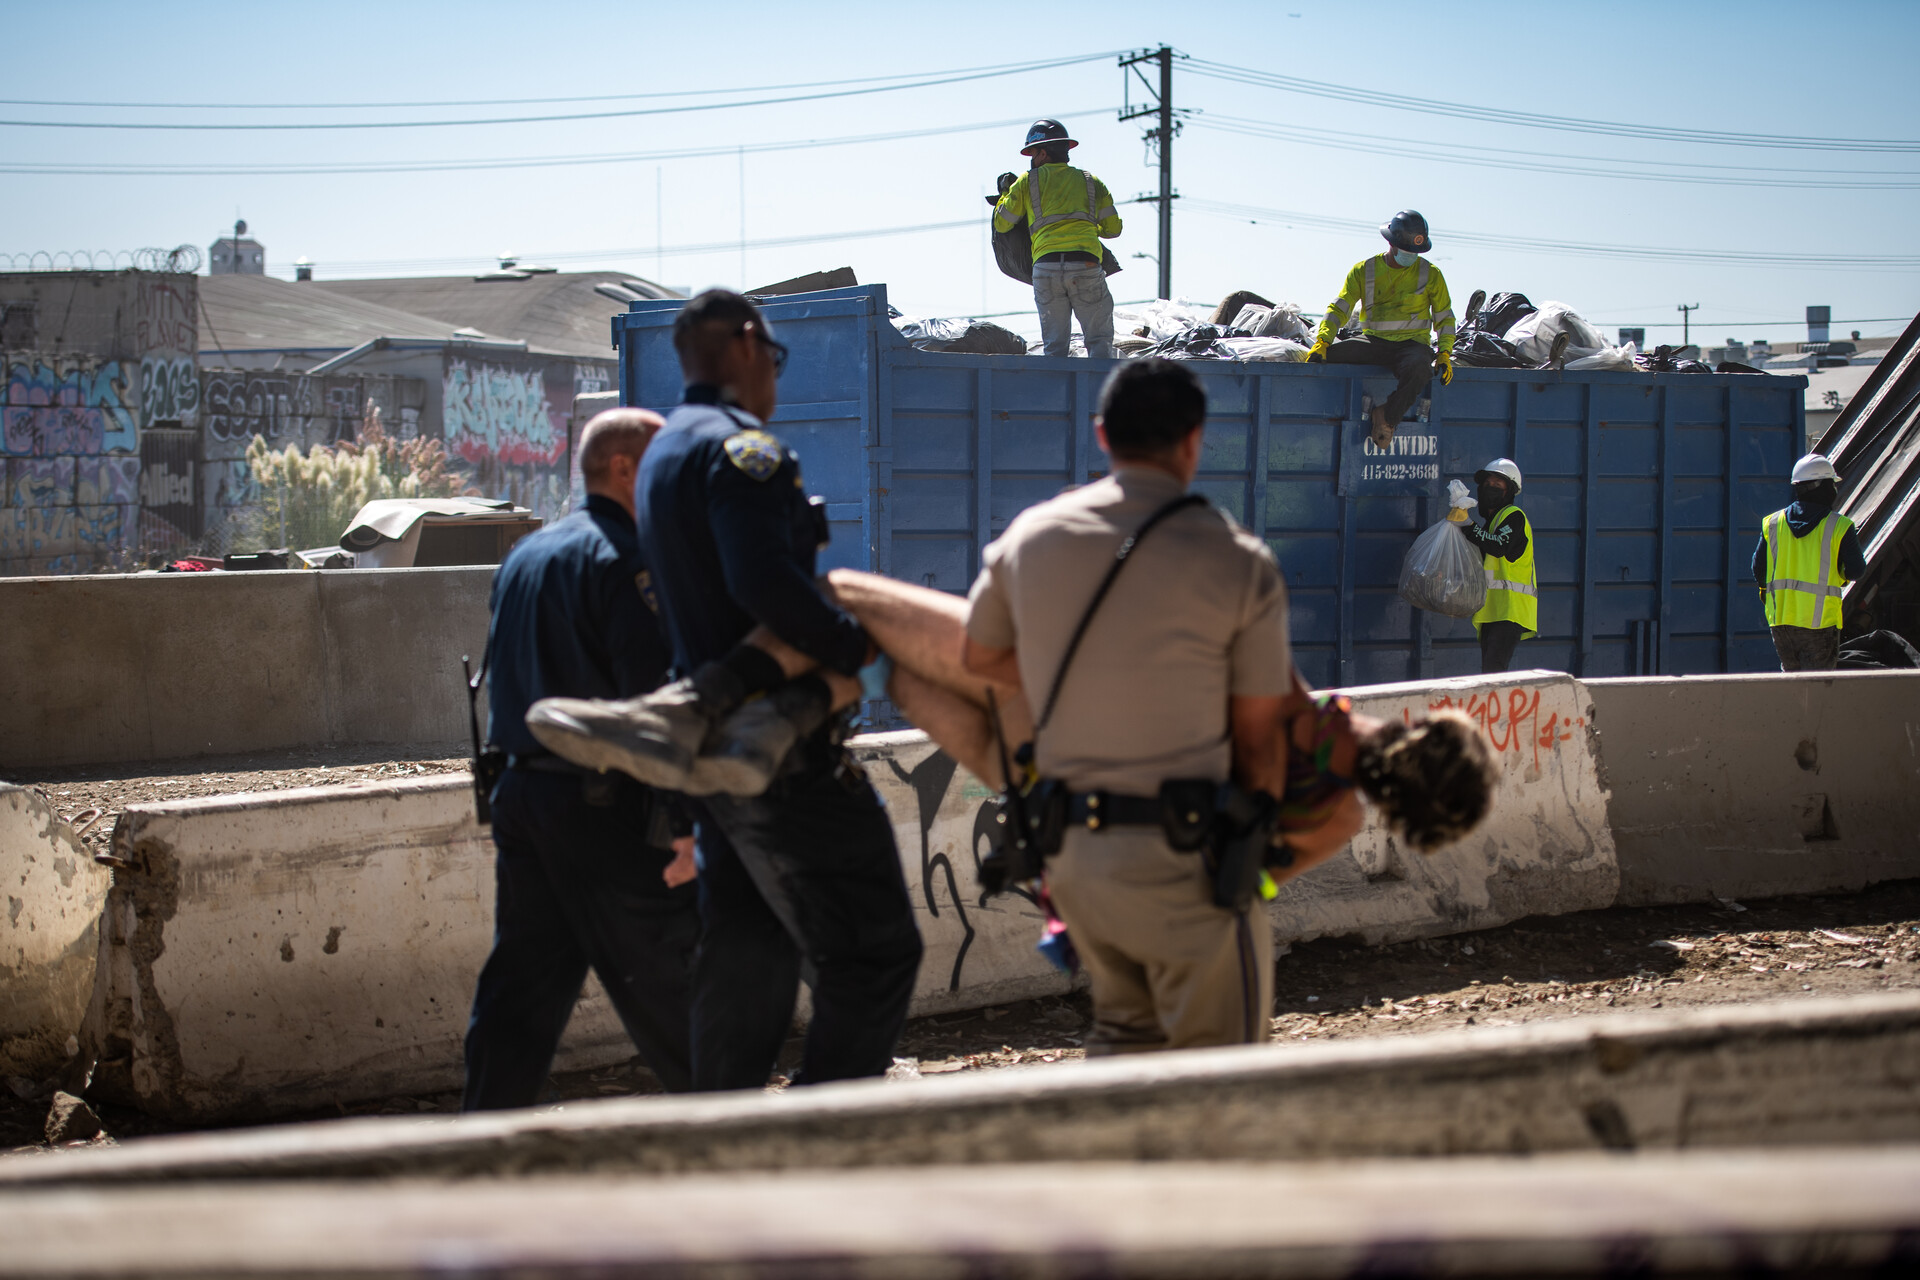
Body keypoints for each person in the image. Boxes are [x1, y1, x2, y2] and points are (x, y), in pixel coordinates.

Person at [528, 290, 922, 1093]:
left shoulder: (668, 448)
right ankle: (817, 1145)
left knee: (748, 957)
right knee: (877, 954)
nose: (773, 379)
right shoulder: (747, 451)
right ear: (745, 344)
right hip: (782, 752)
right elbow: (765, 584)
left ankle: (724, 1143)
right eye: (772, 359)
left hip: (720, 770)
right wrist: (860, 652)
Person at [958, 358, 1309, 1053]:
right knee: (1223, 1084)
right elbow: (1260, 741)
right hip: (1185, 863)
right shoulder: (1237, 559)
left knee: (1125, 1047)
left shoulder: (1030, 536)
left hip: (1078, 865)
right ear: (1193, 442)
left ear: (1101, 436)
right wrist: (1251, 863)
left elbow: (980, 657)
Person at [462, 409, 700, 1111]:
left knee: (522, 988)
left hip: (523, 797)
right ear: (625, 469)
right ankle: (750, 1145)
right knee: (676, 983)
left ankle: (481, 1144)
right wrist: (687, 821)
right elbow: (653, 703)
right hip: (603, 808)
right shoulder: (625, 558)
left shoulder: (528, 555)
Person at [1307, 210, 1456, 449]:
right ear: (1391, 243)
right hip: (1373, 342)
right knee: (1325, 358)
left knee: (1420, 369)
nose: (1412, 256)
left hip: (1411, 346)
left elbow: (1445, 317)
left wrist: (1445, 353)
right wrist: (1323, 342)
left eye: (1416, 252)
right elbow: (1340, 308)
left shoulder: (1431, 275)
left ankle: (1387, 418)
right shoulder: (1364, 270)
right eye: (1407, 250)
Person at [992, 119, 1123, 359]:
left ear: (1042, 153)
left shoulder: (1027, 181)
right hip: (1086, 266)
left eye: (1032, 153)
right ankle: (1098, 395)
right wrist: (1087, 227)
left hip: (1046, 269)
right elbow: (1114, 229)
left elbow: (1003, 223)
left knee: (1054, 349)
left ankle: (1057, 397)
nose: (1031, 159)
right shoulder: (1091, 182)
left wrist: (1004, 195)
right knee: (1100, 344)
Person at [1753, 453, 1865, 671]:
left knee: (1794, 688)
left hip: (1781, 623)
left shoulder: (1773, 524)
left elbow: (1758, 570)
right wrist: (1840, 575)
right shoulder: (1840, 526)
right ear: (1822, 486)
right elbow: (1856, 571)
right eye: (1832, 483)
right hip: (1819, 624)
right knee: (1818, 691)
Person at [1461, 457, 1536, 675]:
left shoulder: (1514, 517)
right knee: (1490, 673)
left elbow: (1498, 546)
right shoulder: (1492, 523)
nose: (1489, 489)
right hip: (1493, 611)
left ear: (1509, 491)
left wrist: (1468, 526)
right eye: (1487, 485)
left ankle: (1497, 711)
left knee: (1494, 673)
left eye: (1497, 486)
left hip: (1509, 612)